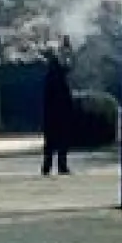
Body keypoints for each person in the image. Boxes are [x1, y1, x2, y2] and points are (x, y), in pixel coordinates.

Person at [41, 41, 74, 177]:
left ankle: (48, 166)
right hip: (58, 112)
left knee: (51, 141)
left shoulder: (52, 70)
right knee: (60, 140)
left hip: (52, 112)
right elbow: (67, 67)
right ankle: (59, 166)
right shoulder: (56, 71)